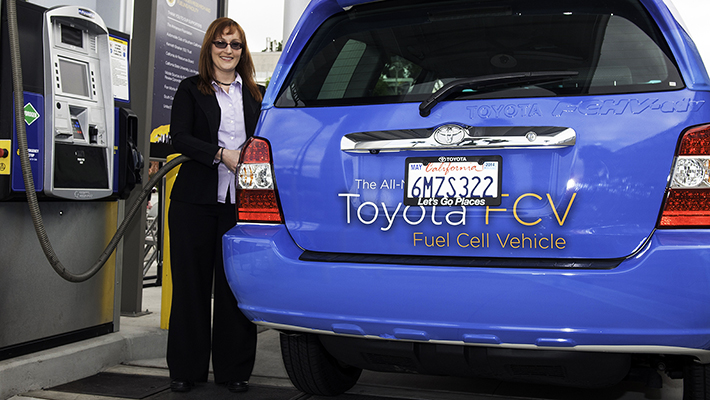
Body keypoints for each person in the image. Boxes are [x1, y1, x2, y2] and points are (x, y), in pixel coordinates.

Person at [166, 17, 263, 393]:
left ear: (243, 51)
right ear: (209, 48)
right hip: (194, 202)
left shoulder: (255, 94)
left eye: (235, 44)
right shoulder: (192, 89)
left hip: (242, 205)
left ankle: (234, 370)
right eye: (221, 44)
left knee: (234, 288)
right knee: (190, 287)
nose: (228, 50)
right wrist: (221, 154)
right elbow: (181, 137)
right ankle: (186, 371)